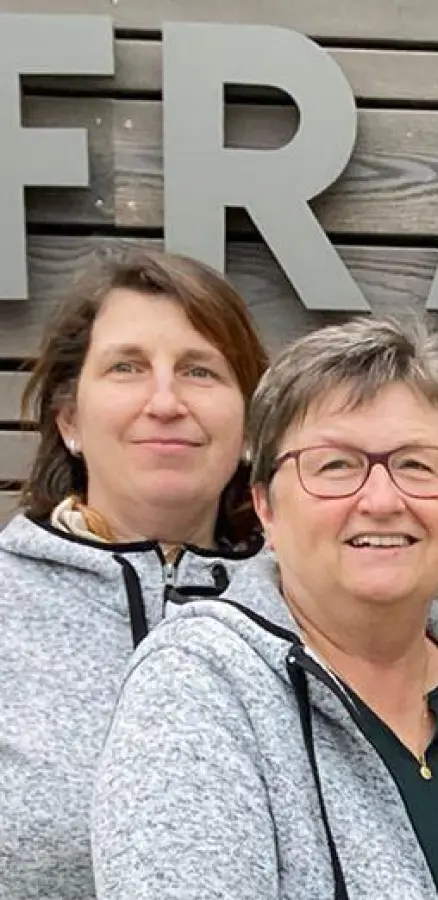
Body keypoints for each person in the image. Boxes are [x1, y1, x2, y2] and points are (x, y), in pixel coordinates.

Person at [90, 316, 438, 899]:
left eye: (418, 464)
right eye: (335, 465)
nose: (381, 500)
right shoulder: (198, 690)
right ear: (265, 506)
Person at [0, 246, 271, 900]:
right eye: (127, 367)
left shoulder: (313, 614)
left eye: (200, 371)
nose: (165, 401)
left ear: (249, 433)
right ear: (70, 420)